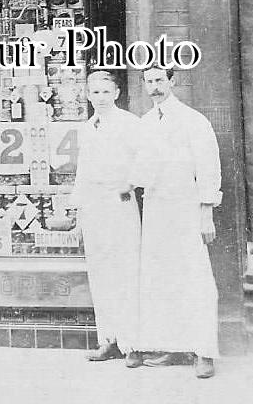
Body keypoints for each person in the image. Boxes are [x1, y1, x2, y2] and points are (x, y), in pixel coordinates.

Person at [135, 67, 221, 379]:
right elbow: (141, 168)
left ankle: (204, 352)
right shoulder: (146, 122)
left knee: (196, 277)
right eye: (149, 81)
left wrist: (206, 212)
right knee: (163, 277)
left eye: (160, 80)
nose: (155, 87)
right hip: (157, 210)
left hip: (186, 209)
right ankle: (172, 345)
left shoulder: (193, 120)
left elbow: (208, 168)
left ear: (172, 81)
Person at [71, 71, 142, 366]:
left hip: (119, 202)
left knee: (126, 271)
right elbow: (83, 171)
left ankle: (132, 344)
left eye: (105, 92)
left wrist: (129, 183)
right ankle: (108, 340)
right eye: (95, 92)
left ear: (116, 93)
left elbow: (145, 161)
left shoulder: (130, 124)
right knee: (101, 273)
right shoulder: (87, 128)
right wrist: (79, 212)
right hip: (94, 205)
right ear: (88, 95)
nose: (100, 98)